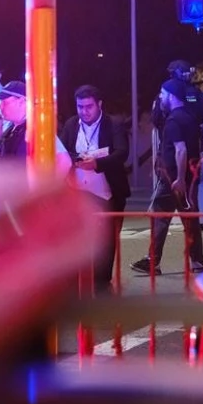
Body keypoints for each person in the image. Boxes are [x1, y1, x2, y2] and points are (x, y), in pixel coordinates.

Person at [132, 78, 203, 275]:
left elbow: (180, 150)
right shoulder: (189, 117)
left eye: (163, 94)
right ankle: (197, 260)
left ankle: (153, 261)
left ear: (171, 96)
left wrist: (179, 179)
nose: (160, 98)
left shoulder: (173, 120)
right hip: (185, 178)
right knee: (189, 217)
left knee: (161, 216)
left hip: (173, 179)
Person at [60, 85, 131, 295]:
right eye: (80, 107)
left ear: (99, 104)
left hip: (107, 191)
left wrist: (97, 164)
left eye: (89, 106)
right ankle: (77, 278)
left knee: (106, 239)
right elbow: (62, 151)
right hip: (77, 191)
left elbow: (122, 153)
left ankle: (102, 281)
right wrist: (76, 159)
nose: (84, 111)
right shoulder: (71, 124)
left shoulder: (113, 124)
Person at [0, 81, 72, 174]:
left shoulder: (38, 129)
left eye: (4, 102)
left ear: (22, 101)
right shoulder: (10, 129)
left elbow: (64, 162)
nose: (0, 106)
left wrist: (47, 183)